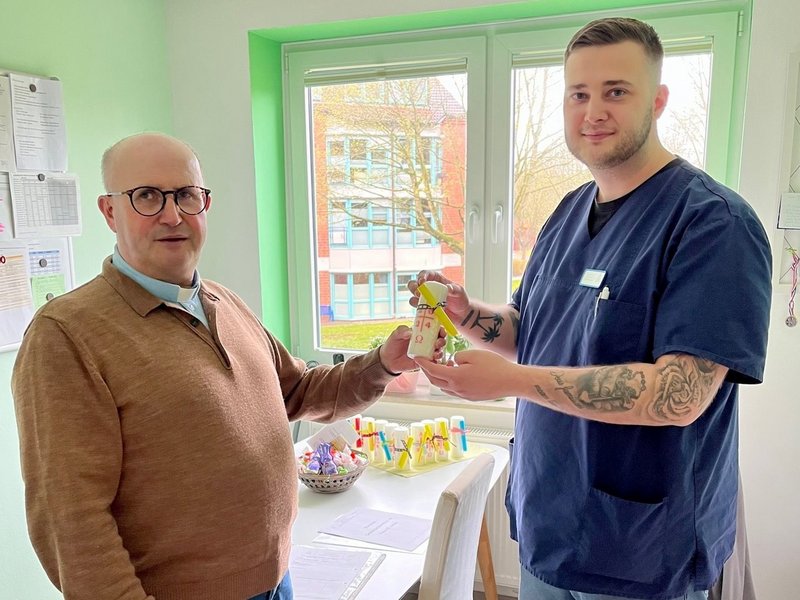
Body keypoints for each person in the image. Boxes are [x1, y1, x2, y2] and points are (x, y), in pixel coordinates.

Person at [410, 17, 771, 600]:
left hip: (641, 551)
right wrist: (466, 312)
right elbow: (529, 331)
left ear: (657, 101)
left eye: (616, 91)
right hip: (548, 525)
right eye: (578, 94)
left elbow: (680, 395)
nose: (593, 111)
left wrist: (513, 382)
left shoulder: (712, 223)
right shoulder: (567, 212)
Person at [12, 132, 426, 600]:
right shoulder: (65, 334)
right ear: (110, 211)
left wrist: (383, 363)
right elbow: (71, 518)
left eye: (187, 194)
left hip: (277, 580)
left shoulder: (222, 301)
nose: (173, 215)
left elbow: (298, 393)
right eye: (147, 196)